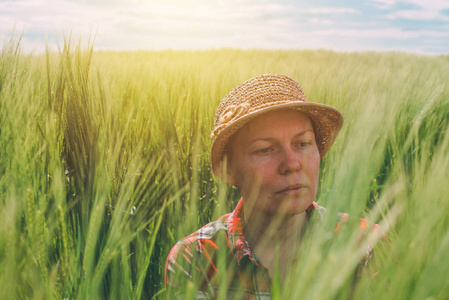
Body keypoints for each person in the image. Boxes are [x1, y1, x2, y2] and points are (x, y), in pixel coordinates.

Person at [165, 74, 382, 299]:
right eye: (265, 149)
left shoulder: (365, 244)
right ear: (230, 170)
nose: (291, 164)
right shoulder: (197, 258)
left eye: (303, 143)